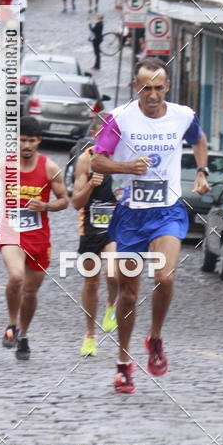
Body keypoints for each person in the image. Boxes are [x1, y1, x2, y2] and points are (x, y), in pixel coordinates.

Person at [92, 56, 210, 394]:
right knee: (128, 296)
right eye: (146, 88)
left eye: (158, 88)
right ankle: (124, 362)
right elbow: (97, 160)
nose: (153, 95)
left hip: (167, 211)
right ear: (136, 88)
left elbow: (199, 141)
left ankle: (155, 337)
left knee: (165, 276)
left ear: (167, 87)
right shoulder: (119, 118)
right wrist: (127, 168)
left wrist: (202, 171)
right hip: (131, 214)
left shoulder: (183, 115)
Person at [0, 116, 68, 360]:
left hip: (39, 237)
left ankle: (23, 335)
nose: (26, 145)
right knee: (16, 276)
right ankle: (12, 323)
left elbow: (64, 200)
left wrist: (46, 206)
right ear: (15, 141)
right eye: (22, 140)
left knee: (30, 292)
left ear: (38, 141)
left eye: (31, 141)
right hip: (10, 231)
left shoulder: (49, 168)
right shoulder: (5, 164)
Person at [73, 130, 123, 356]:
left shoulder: (124, 157)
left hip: (115, 227)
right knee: (92, 282)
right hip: (91, 229)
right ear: (95, 134)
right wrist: (91, 185)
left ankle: (111, 305)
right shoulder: (86, 160)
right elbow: (76, 202)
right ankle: (90, 335)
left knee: (113, 273)